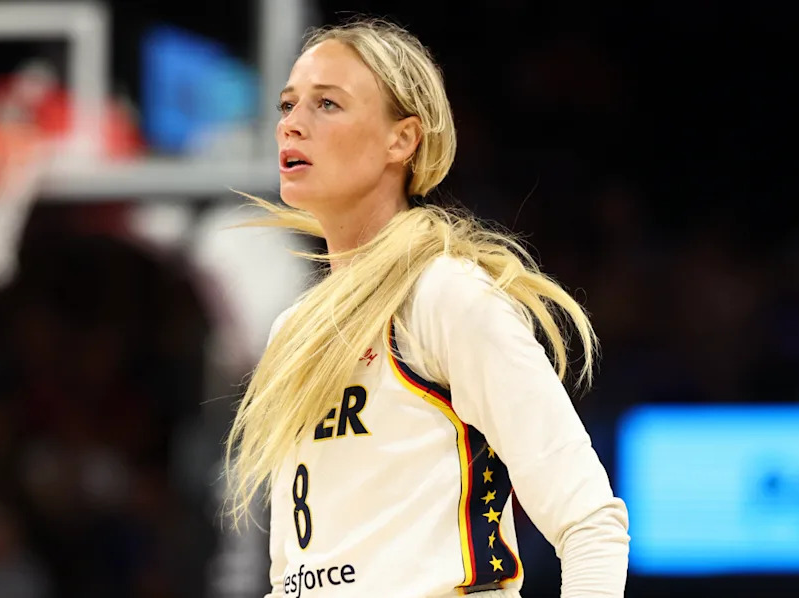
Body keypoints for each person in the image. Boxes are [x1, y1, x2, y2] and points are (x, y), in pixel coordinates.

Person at [224, 17, 630, 598]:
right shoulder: (293, 330)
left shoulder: (445, 295)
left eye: (327, 105)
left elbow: (591, 522)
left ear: (403, 139)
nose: (293, 124)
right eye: (288, 105)